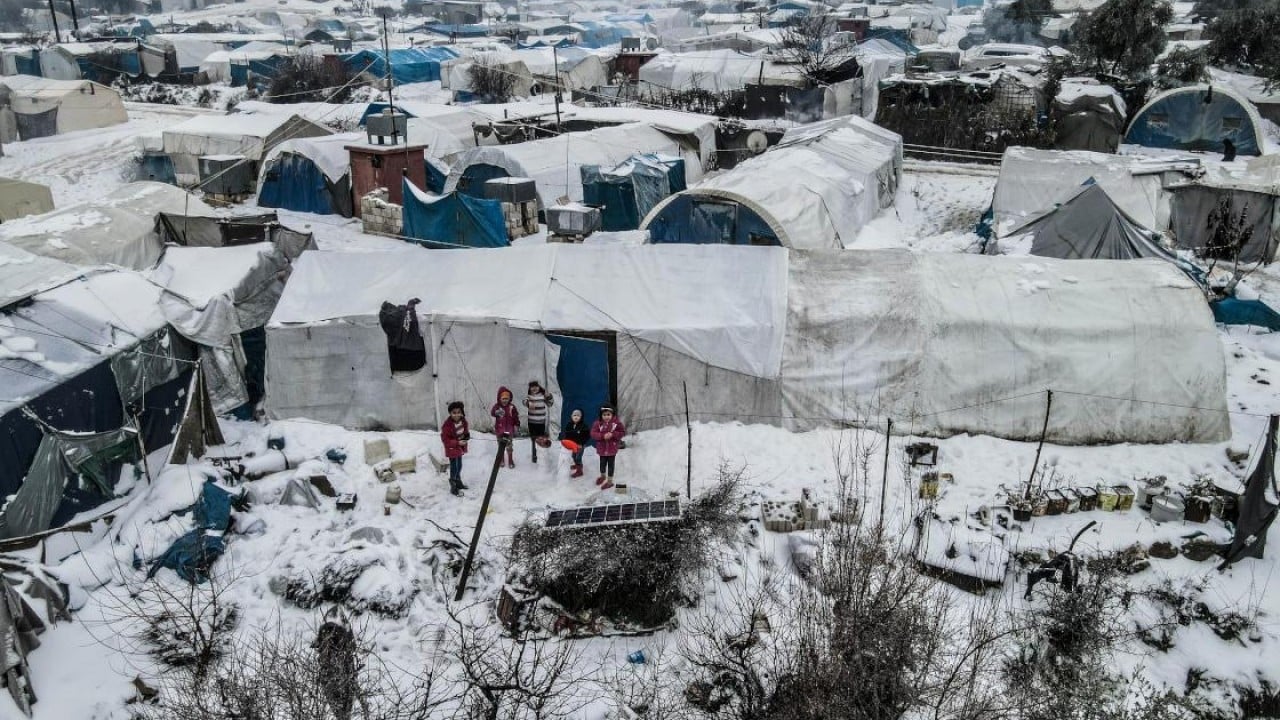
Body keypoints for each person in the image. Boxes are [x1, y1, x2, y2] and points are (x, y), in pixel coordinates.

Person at [590, 405, 626, 489]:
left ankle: (610, 481)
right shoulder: (597, 424)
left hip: (612, 449)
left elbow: (622, 432)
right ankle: (603, 476)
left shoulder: (617, 424)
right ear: (601, 415)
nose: (606, 417)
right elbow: (593, 434)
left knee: (610, 465)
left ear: (612, 414)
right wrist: (602, 436)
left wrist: (613, 434)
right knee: (602, 464)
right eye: (604, 415)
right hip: (602, 449)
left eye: (608, 414)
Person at [441, 401, 470, 496]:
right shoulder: (447, 425)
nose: (457, 414)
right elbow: (445, 440)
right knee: (454, 467)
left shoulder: (463, 421)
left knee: (460, 465)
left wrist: (466, 436)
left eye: (458, 412)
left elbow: (465, 430)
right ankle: (453, 486)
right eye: (454, 412)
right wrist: (457, 442)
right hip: (452, 449)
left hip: (460, 447)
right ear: (450, 413)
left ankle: (458, 481)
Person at [524, 380, 555, 463]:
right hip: (532, 422)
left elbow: (550, 404)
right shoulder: (529, 396)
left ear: (539, 387)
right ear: (530, 388)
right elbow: (524, 401)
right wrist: (529, 404)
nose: (534, 388)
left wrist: (549, 396)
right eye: (532, 387)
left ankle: (541, 455)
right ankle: (534, 455)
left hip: (541, 422)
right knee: (533, 439)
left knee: (541, 438)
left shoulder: (542, 395)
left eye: (536, 386)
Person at [491, 386, 519, 468]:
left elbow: (516, 417)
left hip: (509, 431)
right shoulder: (497, 406)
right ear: (499, 398)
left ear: (509, 399)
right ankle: (502, 460)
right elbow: (492, 413)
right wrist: (496, 412)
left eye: (506, 398)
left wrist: (516, 425)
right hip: (499, 430)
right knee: (501, 446)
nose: (505, 400)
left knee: (509, 446)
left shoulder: (512, 407)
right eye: (503, 398)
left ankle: (510, 460)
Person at [560, 409, 590, 478]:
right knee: (573, 456)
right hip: (572, 445)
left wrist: (581, 444)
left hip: (580, 445)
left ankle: (580, 471)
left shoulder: (584, 426)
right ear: (571, 416)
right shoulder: (569, 425)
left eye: (578, 415)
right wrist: (566, 442)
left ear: (581, 417)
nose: (576, 417)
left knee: (578, 457)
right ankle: (577, 465)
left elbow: (587, 436)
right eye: (574, 415)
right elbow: (567, 435)